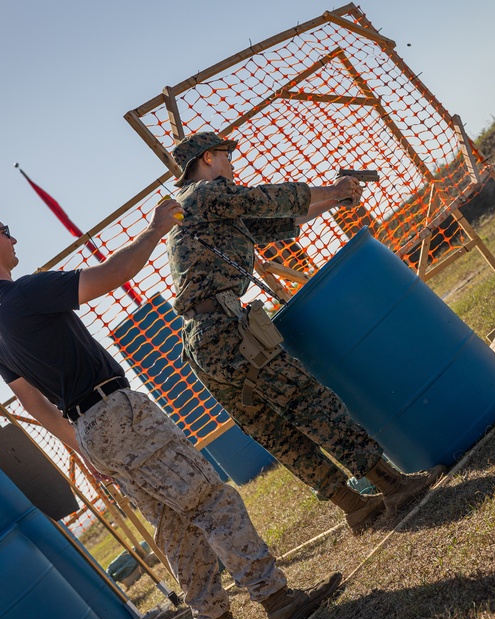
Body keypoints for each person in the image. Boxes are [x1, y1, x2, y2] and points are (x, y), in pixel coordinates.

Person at [0, 204, 340, 619]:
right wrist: (154, 230)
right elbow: (113, 274)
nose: (13, 238)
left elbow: (34, 405)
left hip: (92, 428)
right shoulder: (23, 294)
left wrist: (85, 448)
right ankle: (279, 601)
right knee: (211, 501)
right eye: (3, 230)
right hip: (117, 411)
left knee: (175, 528)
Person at [165, 132, 446, 534]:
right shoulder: (205, 194)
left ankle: (354, 506)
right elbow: (266, 199)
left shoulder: (202, 209)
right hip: (225, 331)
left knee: (274, 431)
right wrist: (330, 188)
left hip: (203, 341)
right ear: (208, 157)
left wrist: (333, 198)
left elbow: (276, 223)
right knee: (308, 401)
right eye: (226, 156)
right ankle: (392, 485)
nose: (231, 163)